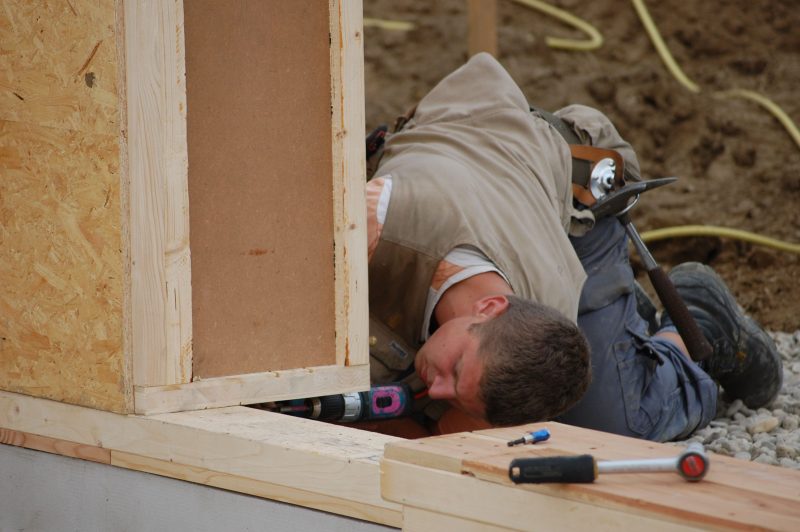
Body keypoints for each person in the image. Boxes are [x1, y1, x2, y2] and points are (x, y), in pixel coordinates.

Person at [366, 53, 783, 442]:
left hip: (557, 216)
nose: (437, 387)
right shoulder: (386, 221)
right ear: (489, 308)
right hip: (524, 178)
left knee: (605, 427)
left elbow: (470, 434)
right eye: (454, 371)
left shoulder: (546, 307)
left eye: (454, 380)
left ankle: (694, 328)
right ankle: (638, 318)